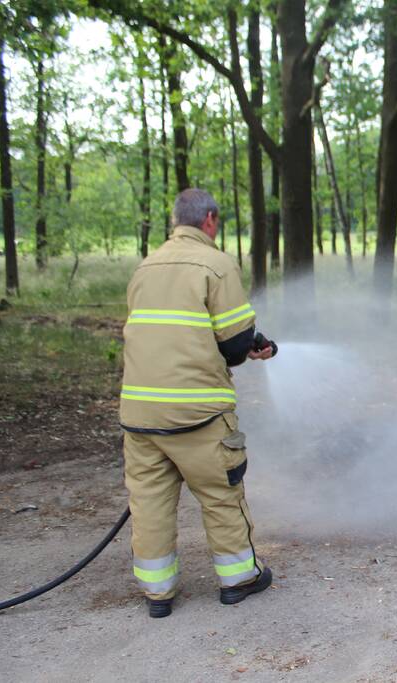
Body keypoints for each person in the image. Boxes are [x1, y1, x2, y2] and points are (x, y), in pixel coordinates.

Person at [119, 188, 277, 618]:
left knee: (149, 503)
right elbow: (233, 346)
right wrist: (253, 346)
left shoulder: (145, 267)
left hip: (139, 414)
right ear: (209, 219)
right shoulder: (217, 264)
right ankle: (239, 579)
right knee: (221, 494)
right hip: (198, 414)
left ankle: (158, 594)